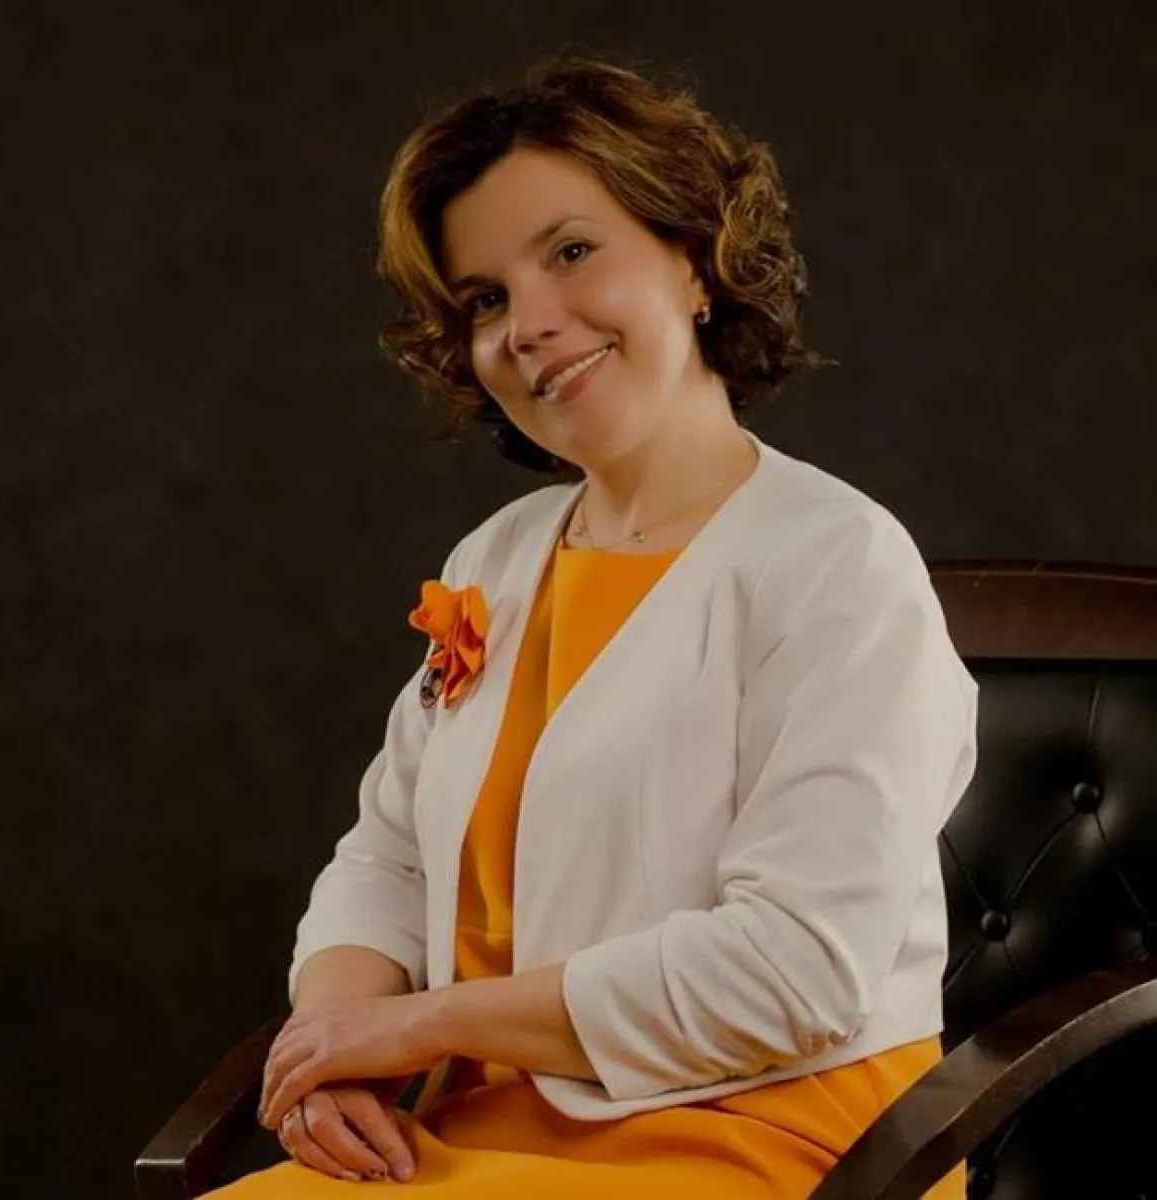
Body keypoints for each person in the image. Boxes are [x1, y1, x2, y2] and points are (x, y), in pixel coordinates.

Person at [208, 51, 978, 1198]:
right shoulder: (495, 561)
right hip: (479, 1136)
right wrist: (333, 1046)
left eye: (571, 252)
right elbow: (388, 857)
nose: (529, 325)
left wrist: (422, 1025)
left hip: (772, 1146)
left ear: (694, 259)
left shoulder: (837, 565)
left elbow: (798, 971)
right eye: (485, 300)